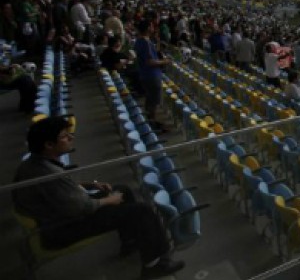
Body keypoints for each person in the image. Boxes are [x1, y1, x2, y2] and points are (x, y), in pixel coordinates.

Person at [13, 117, 184, 279]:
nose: (71, 137)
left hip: (56, 218)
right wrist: (109, 201)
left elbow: (61, 191)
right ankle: (153, 266)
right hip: (59, 229)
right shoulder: (47, 174)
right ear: (49, 145)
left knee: (122, 190)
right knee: (143, 211)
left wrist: (89, 185)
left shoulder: (34, 164)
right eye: (65, 136)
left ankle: (130, 241)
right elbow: (81, 207)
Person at [134, 19, 171, 132]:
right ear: (147, 28)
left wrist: (158, 41)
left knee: (149, 99)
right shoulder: (145, 42)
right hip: (151, 75)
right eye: (151, 26)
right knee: (153, 102)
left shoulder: (140, 41)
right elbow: (150, 61)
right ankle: (152, 124)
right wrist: (164, 62)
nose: (153, 27)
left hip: (145, 75)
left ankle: (150, 122)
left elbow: (153, 54)